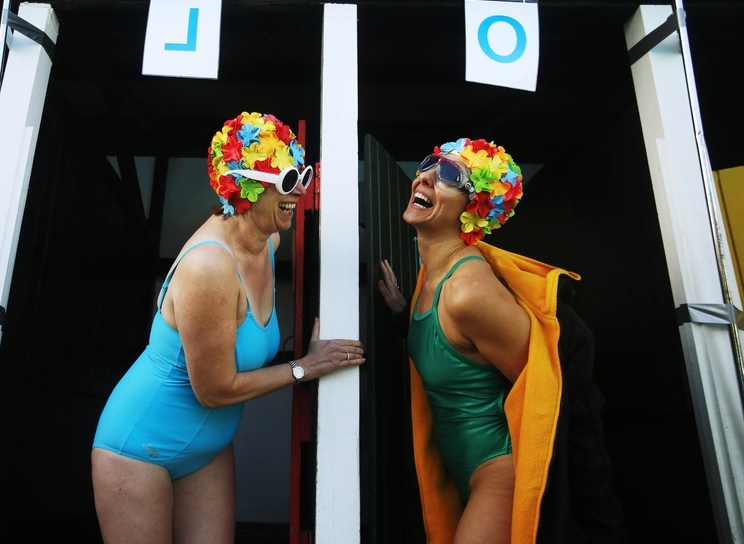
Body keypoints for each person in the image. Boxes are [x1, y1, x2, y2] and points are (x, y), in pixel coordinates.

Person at [91, 111, 365, 543]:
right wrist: (304, 368)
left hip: (207, 450)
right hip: (139, 446)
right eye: (288, 179)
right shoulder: (209, 267)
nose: (300, 190)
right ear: (244, 186)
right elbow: (214, 391)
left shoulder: (267, 241)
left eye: (303, 175)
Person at [377, 138, 624, 543]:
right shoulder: (431, 275)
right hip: (462, 471)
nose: (424, 178)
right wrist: (406, 316)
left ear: (473, 208)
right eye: (430, 163)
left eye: (449, 175)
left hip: (499, 476)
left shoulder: (468, 293)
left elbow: (553, 390)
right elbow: (462, 354)